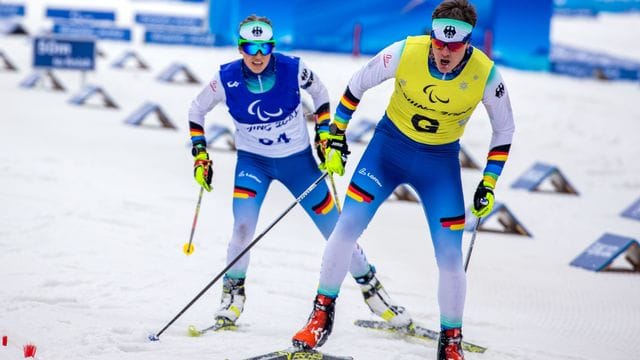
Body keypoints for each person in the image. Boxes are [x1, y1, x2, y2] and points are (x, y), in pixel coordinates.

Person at [292, 1, 515, 359]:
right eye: (438, 42)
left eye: (453, 46)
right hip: (386, 153)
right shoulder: (405, 51)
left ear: (468, 43)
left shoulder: (486, 75)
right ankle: (321, 315)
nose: (443, 52)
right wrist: (336, 136)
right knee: (345, 228)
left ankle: (451, 341)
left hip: (438, 165)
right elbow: (356, 85)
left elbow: (504, 129)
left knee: (449, 256)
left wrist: (488, 181)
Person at [187, 15, 412, 331]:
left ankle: (373, 291)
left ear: (272, 47)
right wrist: (200, 154)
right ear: (240, 48)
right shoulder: (225, 79)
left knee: (336, 232)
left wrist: (324, 132)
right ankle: (232, 296)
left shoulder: (293, 68)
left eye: (263, 47)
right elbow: (196, 110)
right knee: (242, 227)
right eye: (249, 46)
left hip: (299, 165)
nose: (257, 55)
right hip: (254, 164)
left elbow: (320, 93)